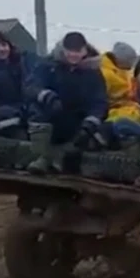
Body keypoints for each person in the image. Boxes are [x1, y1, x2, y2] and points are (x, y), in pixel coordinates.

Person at [24, 32, 108, 174]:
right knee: (36, 111)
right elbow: (31, 86)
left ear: (85, 51)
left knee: (83, 139)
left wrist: (90, 123)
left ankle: (58, 159)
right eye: (70, 51)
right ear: (63, 50)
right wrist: (47, 96)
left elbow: (99, 102)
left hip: (77, 120)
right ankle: (42, 157)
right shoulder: (49, 66)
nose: (73, 55)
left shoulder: (93, 73)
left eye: (77, 51)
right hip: (52, 115)